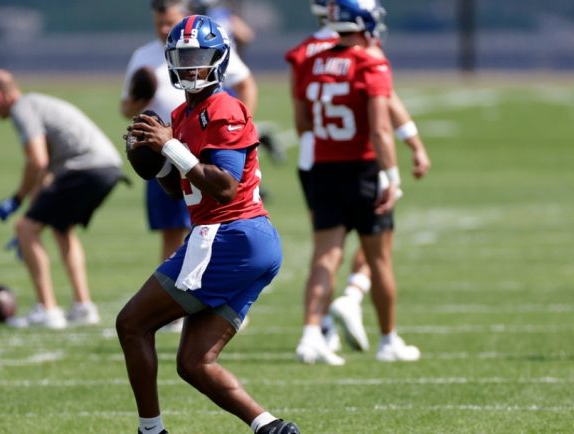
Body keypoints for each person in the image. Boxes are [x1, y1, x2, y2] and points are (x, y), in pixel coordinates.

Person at [116, 15, 299, 434]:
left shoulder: (224, 108)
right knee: (194, 361)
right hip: (235, 239)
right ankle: (270, 428)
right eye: (182, 58)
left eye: (198, 57)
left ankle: (150, 431)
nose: (191, 67)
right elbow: (179, 191)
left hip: (230, 234)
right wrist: (154, 161)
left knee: (131, 324)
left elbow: (225, 187)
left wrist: (171, 148)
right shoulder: (181, 114)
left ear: (218, 59)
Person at [288, 0, 421, 365]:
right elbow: (380, 129)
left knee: (325, 256)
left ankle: (311, 336)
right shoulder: (370, 62)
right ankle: (388, 340)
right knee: (379, 260)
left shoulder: (310, 60)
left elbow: (302, 123)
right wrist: (392, 175)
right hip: (362, 169)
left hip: (322, 167)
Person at [0, 69, 123, 329]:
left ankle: (48, 310)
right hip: (108, 167)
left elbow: (37, 162)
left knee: (25, 228)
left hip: (84, 168)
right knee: (61, 228)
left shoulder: (22, 108)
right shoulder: (37, 103)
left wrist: (17, 200)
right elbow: (45, 176)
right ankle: (83, 307)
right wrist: (32, 212)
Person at [120, 0, 258, 264]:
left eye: (169, 22)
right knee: (173, 230)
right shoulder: (143, 56)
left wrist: (240, 130)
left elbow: (245, 82)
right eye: (159, 23)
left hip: (206, 148)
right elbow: (126, 108)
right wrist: (142, 110)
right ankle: (174, 277)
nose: (163, 29)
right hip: (166, 148)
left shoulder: (206, 45)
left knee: (215, 222)